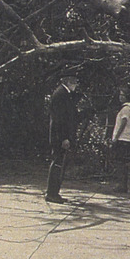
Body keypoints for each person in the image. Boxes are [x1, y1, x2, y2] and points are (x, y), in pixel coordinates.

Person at [45, 71, 79, 204]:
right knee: (57, 163)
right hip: (59, 136)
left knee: (59, 163)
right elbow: (59, 119)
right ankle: (52, 193)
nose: (76, 85)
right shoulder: (61, 94)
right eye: (75, 82)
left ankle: (54, 192)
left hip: (61, 135)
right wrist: (64, 137)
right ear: (68, 82)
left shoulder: (64, 94)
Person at [111, 88, 130, 193]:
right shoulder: (128, 108)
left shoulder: (126, 108)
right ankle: (122, 184)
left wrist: (116, 136)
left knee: (120, 162)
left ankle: (121, 185)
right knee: (123, 163)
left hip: (124, 138)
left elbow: (124, 121)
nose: (120, 97)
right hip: (127, 138)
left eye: (122, 95)